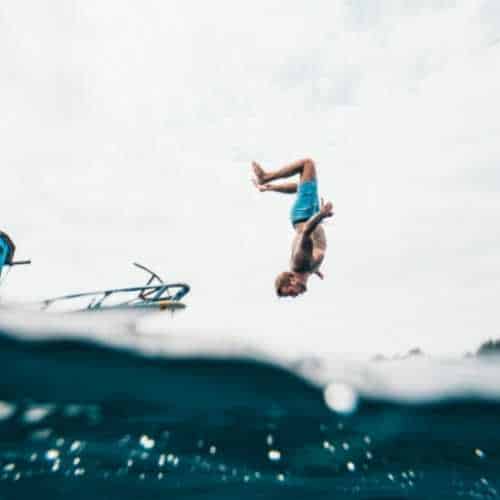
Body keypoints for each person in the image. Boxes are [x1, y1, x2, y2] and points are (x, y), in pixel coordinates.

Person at [251, 158, 334, 297]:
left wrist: (321, 215)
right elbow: (313, 256)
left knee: (307, 164)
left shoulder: (300, 263)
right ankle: (267, 187)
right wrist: (316, 270)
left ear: (291, 279)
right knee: (301, 186)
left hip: (305, 215)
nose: (294, 295)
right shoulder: (306, 269)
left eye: (290, 292)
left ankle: (265, 177)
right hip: (309, 214)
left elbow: (306, 232)